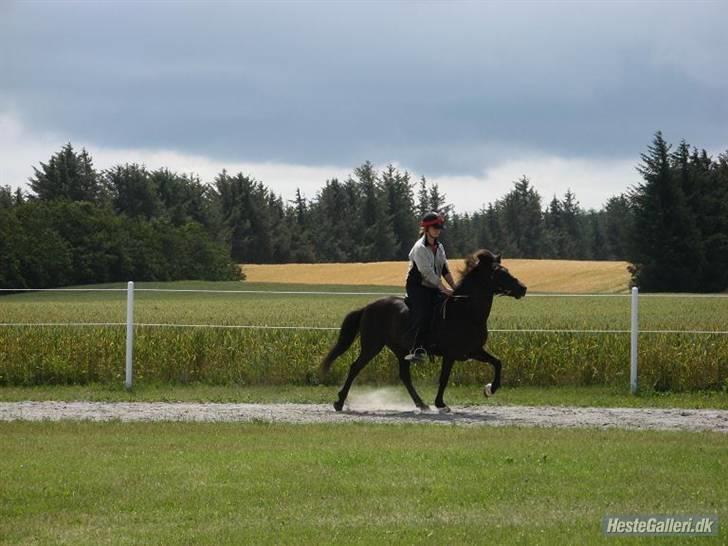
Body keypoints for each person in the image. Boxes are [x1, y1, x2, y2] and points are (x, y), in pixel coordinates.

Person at [404, 211, 456, 362]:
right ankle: (417, 349)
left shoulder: (439, 247)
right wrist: (444, 289)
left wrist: (455, 287)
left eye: (439, 226)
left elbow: (444, 269)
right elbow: (428, 274)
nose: (438, 229)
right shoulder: (419, 248)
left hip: (432, 286)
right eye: (435, 227)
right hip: (417, 287)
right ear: (426, 229)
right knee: (425, 312)